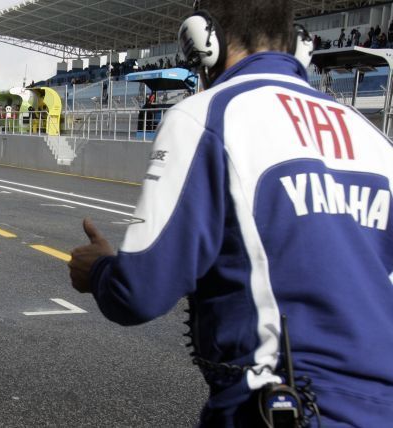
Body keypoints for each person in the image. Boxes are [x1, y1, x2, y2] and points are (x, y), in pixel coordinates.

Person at [68, 0, 393, 426]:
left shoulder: (209, 116)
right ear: (299, 46)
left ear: (205, 39)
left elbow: (140, 293)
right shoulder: (372, 138)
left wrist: (98, 271)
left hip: (282, 405)